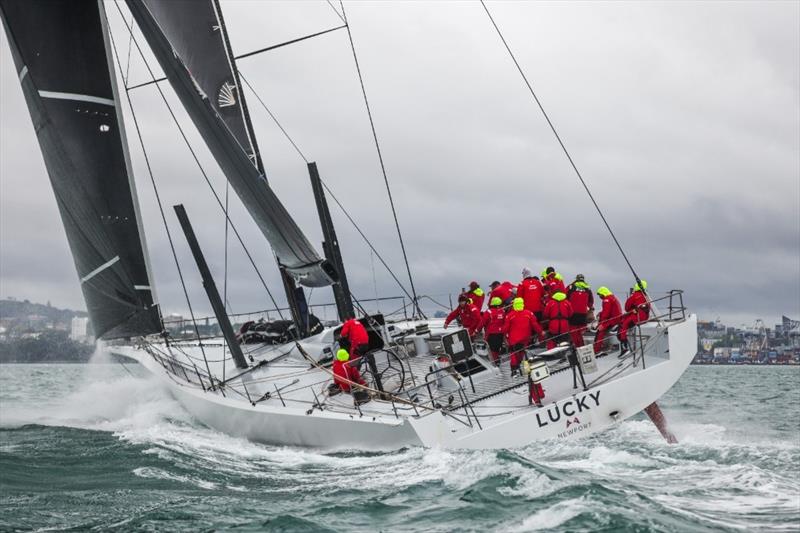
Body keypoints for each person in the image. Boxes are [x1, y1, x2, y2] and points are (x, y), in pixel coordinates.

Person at [503, 297, 544, 373]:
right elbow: (535, 325)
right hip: (525, 337)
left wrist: (504, 336)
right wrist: (540, 332)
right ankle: (524, 367)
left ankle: (515, 370)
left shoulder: (509, 315)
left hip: (514, 339)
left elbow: (505, 329)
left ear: (514, 305)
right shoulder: (529, 313)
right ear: (522, 304)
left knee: (513, 353)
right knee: (523, 351)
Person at [618, 280, 650, 354]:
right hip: (646, 317)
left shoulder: (634, 296)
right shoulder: (646, 296)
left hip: (638, 317)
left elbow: (626, 308)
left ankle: (624, 348)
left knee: (623, 325)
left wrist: (632, 309)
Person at [566, 274, 594, 347]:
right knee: (582, 331)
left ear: (576, 279)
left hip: (572, 313)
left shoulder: (571, 287)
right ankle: (582, 347)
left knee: (573, 331)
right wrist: (590, 308)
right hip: (583, 313)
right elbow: (591, 301)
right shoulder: (587, 288)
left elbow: (565, 297)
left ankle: (575, 347)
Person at [593, 286, 622, 354]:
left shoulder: (606, 300)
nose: (600, 296)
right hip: (617, 318)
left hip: (613, 320)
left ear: (603, 293)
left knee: (600, 331)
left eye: (600, 295)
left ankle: (596, 350)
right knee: (600, 329)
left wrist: (602, 324)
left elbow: (606, 313)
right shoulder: (612, 298)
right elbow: (608, 311)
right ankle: (601, 347)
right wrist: (600, 313)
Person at [480, 296, 507, 364]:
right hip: (500, 334)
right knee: (497, 349)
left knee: (491, 350)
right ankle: (497, 361)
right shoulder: (502, 311)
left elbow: (482, 323)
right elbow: (505, 323)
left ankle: (494, 363)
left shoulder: (488, 312)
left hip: (491, 334)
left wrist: (476, 331)